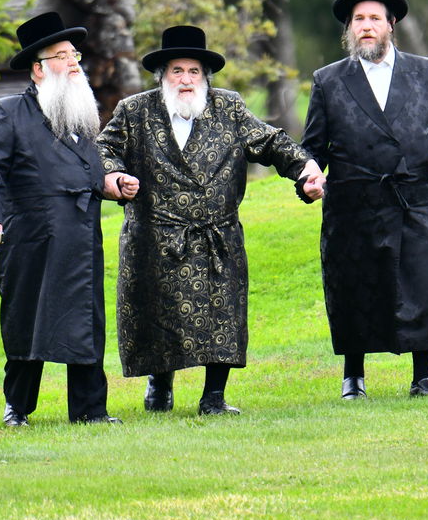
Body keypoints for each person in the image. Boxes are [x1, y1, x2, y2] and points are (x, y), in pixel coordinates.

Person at [97, 25, 325, 416]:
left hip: (217, 235)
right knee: (160, 315)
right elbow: (103, 149)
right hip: (156, 238)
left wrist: (305, 169)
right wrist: (116, 177)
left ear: (205, 77)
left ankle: (214, 398)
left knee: (223, 315)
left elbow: (271, 143)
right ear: (162, 76)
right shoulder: (135, 111)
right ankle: (160, 382)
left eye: (194, 72)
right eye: (177, 71)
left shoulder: (229, 107)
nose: (186, 80)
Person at [300, 0, 428, 401]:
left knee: (422, 282)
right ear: (348, 28)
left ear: (390, 24)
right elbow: (312, 146)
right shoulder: (328, 79)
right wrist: (308, 177)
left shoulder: (425, 72)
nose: (366, 26)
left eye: (374, 18)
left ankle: (423, 376)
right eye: (358, 19)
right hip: (352, 203)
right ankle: (353, 378)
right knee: (353, 287)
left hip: (414, 200)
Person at [0, 11, 120, 427]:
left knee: (85, 323)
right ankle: (17, 408)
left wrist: (110, 184)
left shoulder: (81, 117)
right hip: (31, 238)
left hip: (80, 236)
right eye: (62, 55)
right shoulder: (8, 113)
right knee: (27, 322)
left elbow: (88, 170)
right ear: (38, 69)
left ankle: (91, 410)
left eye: (75, 54)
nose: (74, 62)